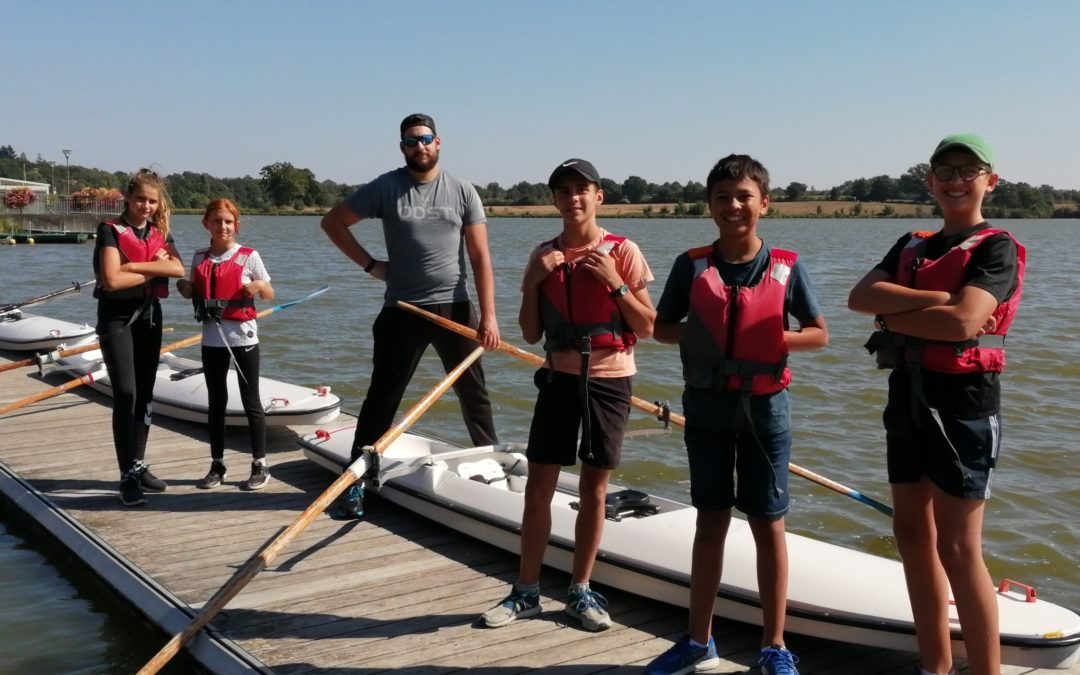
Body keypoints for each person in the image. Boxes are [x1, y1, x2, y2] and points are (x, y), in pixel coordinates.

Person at [848, 134, 1023, 675]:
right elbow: (860, 299)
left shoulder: (995, 247)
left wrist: (893, 315)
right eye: (943, 169)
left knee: (958, 546)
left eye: (967, 170)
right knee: (911, 535)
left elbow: (966, 322)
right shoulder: (910, 245)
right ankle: (935, 665)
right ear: (928, 181)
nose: (954, 179)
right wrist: (933, 299)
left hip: (963, 402)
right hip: (906, 396)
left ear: (989, 181)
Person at [646, 154, 827, 675]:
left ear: (764, 204)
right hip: (705, 409)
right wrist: (700, 337)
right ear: (709, 206)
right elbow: (662, 328)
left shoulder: (787, 267)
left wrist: (774, 337)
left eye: (744, 196)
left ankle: (775, 646)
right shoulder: (691, 265)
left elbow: (819, 333)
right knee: (710, 521)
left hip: (766, 414)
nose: (733, 206)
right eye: (722, 197)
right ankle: (698, 640)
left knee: (769, 528)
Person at [480, 158, 656, 632]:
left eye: (583, 189)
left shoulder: (624, 250)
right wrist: (534, 279)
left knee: (594, 490)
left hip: (609, 377)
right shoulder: (541, 254)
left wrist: (614, 283)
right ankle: (526, 591)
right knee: (538, 487)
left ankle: (580, 590)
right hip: (557, 379)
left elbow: (649, 326)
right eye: (564, 191)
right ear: (554, 200)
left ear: (599, 196)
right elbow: (531, 331)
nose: (573, 198)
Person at [320, 113, 500, 518]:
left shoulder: (463, 191)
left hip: (455, 308)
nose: (419, 146)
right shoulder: (386, 187)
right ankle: (355, 482)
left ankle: (495, 471)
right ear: (402, 147)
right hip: (402, 309)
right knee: (383, 399)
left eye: (426, 139)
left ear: (439, 142)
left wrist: (488, 316)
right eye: (411, 141)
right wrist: (371, 266)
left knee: (475, 396)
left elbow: (480, 256)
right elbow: (333, 222)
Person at [93, 168, 186, 507]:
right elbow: (111, 281)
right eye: (140, 200)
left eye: (152, 201)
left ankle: (137, 464)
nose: (146, 206)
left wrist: (134, 267)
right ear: (128, 199)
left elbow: (177, 270)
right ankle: (126, 476)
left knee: (145, 393)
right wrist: (151, 266)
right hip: (117, 319)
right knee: (127, 393)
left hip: (148, 318)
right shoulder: (110, 232)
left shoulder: (160, 232)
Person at [176, 199, 275, 491]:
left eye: (228, 222)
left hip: (243, 338)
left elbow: (269, 292)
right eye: (217, 221)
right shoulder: (199, 258)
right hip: (212, 341)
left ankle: (260, 464)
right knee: (215, 403)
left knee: (250, 401)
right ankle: (217, 464)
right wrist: (184, 287)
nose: (223, 227)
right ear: (206, 223)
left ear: (236, 225)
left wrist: (257, 286)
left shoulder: (249, 256)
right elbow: (190, 292)